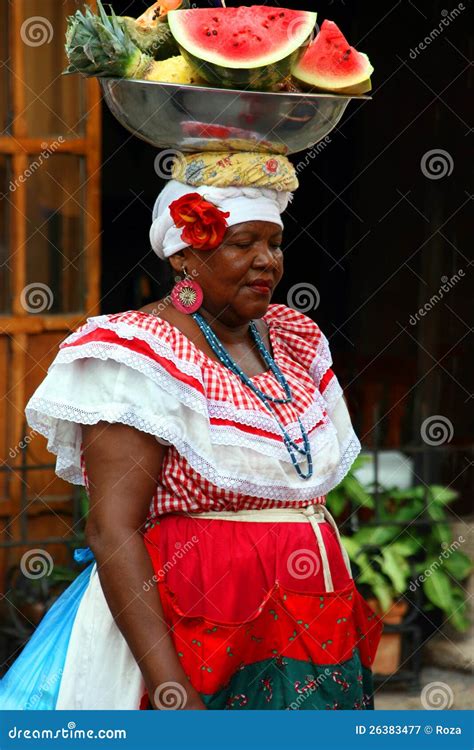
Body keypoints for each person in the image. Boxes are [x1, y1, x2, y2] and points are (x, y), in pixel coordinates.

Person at [0, 152, 382, 710]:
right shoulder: (137, 354)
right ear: (184, 254)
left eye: (273, 244)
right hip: (191, 628)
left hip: (307, 622)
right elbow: (113, 531)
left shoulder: (291, 338)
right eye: (242, 243)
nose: (266, 262)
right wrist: (172, 688)